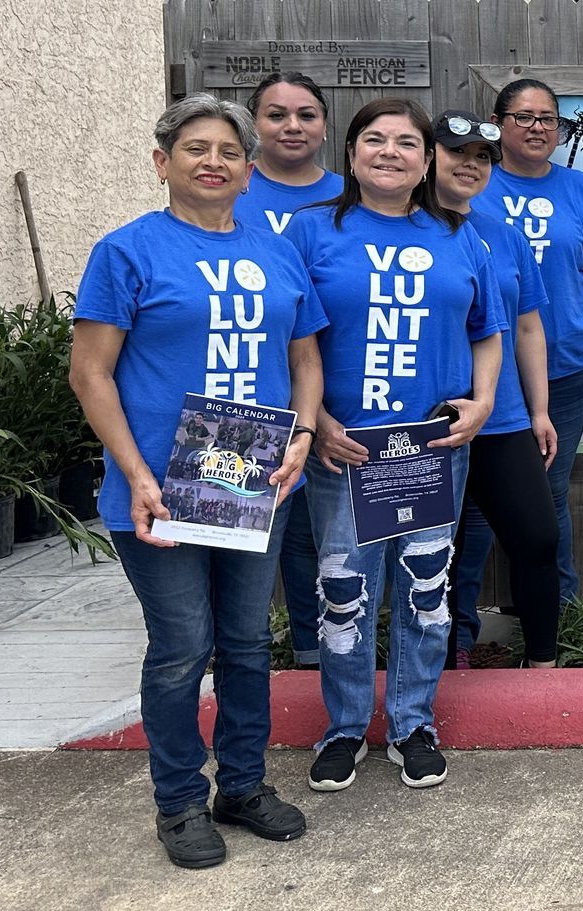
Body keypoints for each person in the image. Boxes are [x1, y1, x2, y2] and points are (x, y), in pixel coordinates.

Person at [69, 93, 325, 868]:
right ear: (162, 162)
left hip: (253, 468)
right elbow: (91, 372)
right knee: (182, 644)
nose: (213, 161)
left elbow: (305, 355)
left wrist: (303, 435)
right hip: (162, 483)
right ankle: (179, 801)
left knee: (247, 640)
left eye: (228, 152)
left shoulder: (277, 250)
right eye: (195, 149)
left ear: (248, 173)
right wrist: (137, 474)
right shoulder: (128, 252)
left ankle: (242, 785)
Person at [284, 97, 507, 792]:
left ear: (427, 159)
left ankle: (413, 723)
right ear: (350, 155)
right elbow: (291, 340)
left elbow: (487, 328)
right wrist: (315, 421)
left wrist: (485, 400)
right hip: (345, 447)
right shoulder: (311, 231)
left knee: (424, 589)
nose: (389, 151)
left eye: (406, 142)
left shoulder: (458, 233)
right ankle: (346, 726)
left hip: (432, 446)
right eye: (373, 139)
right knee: (343, 592)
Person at [468, 78, 583, 611]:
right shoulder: (472, 185)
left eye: (549, 118)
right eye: (524, 116)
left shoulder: (580, 190)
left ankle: (553, 612)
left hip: (563, 366)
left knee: (548, 489)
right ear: (498, 125)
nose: (538, 127)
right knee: (473, 502)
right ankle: (454, 625)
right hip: (483, 369)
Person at [428, 109, 564, 670]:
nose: (470, 165)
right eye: (457, 152)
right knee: (426, 554)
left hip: (503, 417)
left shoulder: (502, 235)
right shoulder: (400, 229)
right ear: (428, 156)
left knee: (537, 539)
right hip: (425, 422)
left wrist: (540, 410)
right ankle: (433, 664)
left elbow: (526, 325)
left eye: (482, 157)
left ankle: (543, 664)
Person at [235, 71, 345, 670]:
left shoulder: (351, 195)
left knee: (315, 530)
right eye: (276, 114)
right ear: (256, 125)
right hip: (246, 385)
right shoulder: (232, 190)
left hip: (325, 382)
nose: (292, 126)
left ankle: (318, 649)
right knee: (245, 525)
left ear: (325, 125)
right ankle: (237, 651)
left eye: (306, 114)